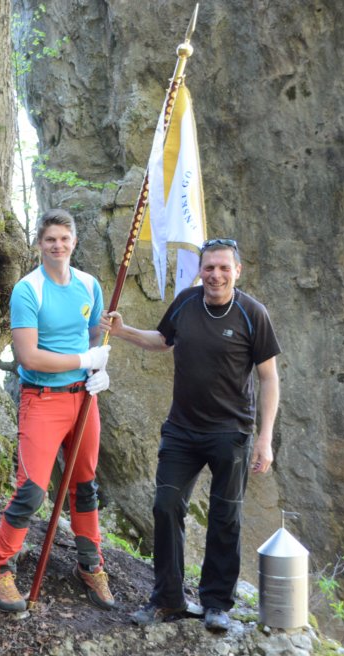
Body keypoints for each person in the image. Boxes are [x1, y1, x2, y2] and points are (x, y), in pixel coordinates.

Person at [102, 237, 280, 631]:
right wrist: (123, 330)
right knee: (166, 506)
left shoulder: (253, 313)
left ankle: (217, 604)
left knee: (225, 516)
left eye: (223, 267)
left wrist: (264, 439)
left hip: (231, 432)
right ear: (200, 270)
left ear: (237, 271)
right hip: (182, 430)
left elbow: (269, 378)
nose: (215, 275)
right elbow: (162, 341)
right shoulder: (186, 302)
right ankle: (168, 599)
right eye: (208, 267)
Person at [0, 209, 115, 613]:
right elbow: (29, 356)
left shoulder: (89, 285)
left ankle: (90, 565)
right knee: (32, 490)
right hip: (42, 399)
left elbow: (94, 336)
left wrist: (99, 367)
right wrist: (84, 358)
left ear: (74, 241)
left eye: (64, 238)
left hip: (84, 398)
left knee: (85, 485)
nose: (58, 245)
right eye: (50, 239)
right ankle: (1, 569)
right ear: (39, 244)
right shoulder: (29, 290)